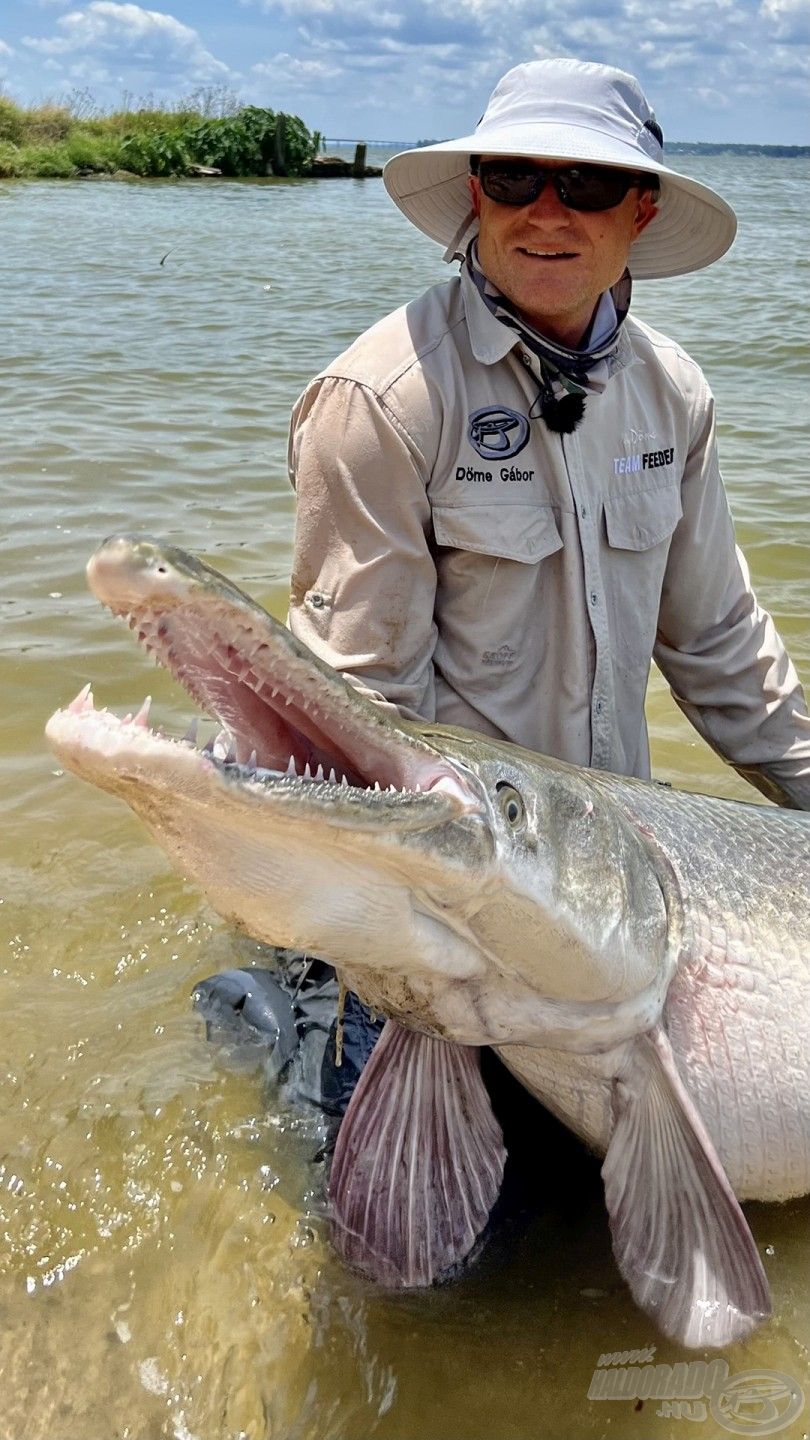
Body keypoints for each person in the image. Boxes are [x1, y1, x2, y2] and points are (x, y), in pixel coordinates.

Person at [287, 57, 810, 810]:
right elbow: (364, 713)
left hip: (618, 847)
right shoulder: (380, 400)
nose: (546, 213)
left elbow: (717, 643)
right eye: (512, 179)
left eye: (587, 184)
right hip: (461, 856)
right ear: (477, 194)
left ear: (642, 212)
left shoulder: (674, 392)